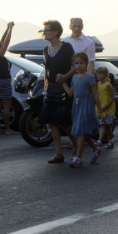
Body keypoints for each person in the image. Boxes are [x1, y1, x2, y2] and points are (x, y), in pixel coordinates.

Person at [39, 20, 77, 164]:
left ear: (55, 32)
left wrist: (65, 77)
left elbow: (75, 67)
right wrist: (45, 86)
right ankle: (59, 153)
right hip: (51, 89)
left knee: (64, 122)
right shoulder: (45, 50)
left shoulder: (66, 47)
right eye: (43, 31)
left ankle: (75, 144)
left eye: (46, 30)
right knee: (52, 121)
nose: (44, 33)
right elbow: (47, 71)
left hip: (64, 88)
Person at [62, 52, 104, 167]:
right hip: (76, 106)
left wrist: (100, 111)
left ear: (86, 64)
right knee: (84, 133)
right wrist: (63, 83)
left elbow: (95, 95)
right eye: (76, 63)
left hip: (86, 107)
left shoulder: (90, 77)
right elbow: (71, 93)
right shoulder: (74, 77)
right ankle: (96, 150)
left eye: (81, 63)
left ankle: (78, 158)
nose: (79, 65)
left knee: (80, 132)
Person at [95, 66, 116, 149]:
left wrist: (105, 106)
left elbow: (112, 97)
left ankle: (99, 141)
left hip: (107, 108)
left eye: (101, 74)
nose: (98, 75)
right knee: (106, 126)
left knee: (103, 125)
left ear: (106, 75)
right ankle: (111, 141)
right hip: (100, 107)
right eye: (97, 74)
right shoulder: (98, 84)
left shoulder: (108, 85)